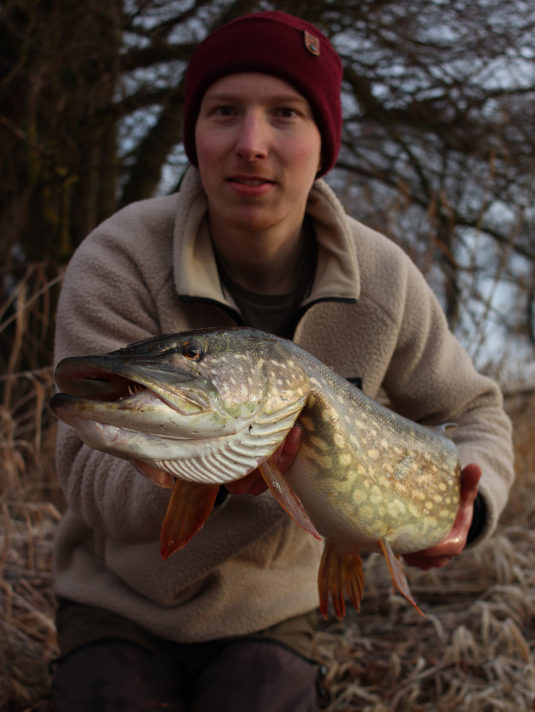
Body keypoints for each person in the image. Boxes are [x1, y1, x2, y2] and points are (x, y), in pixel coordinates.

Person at [50, 10, 514, 712]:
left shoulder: (384, 281)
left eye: (285, 115)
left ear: (322, 143)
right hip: (119, 599)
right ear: (194, 134)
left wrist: (468, 512)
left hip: (268, 609)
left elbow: (475, 410)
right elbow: (87, 477)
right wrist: (199, 473)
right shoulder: (118, 260)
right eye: (223, 112)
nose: (251, 143)